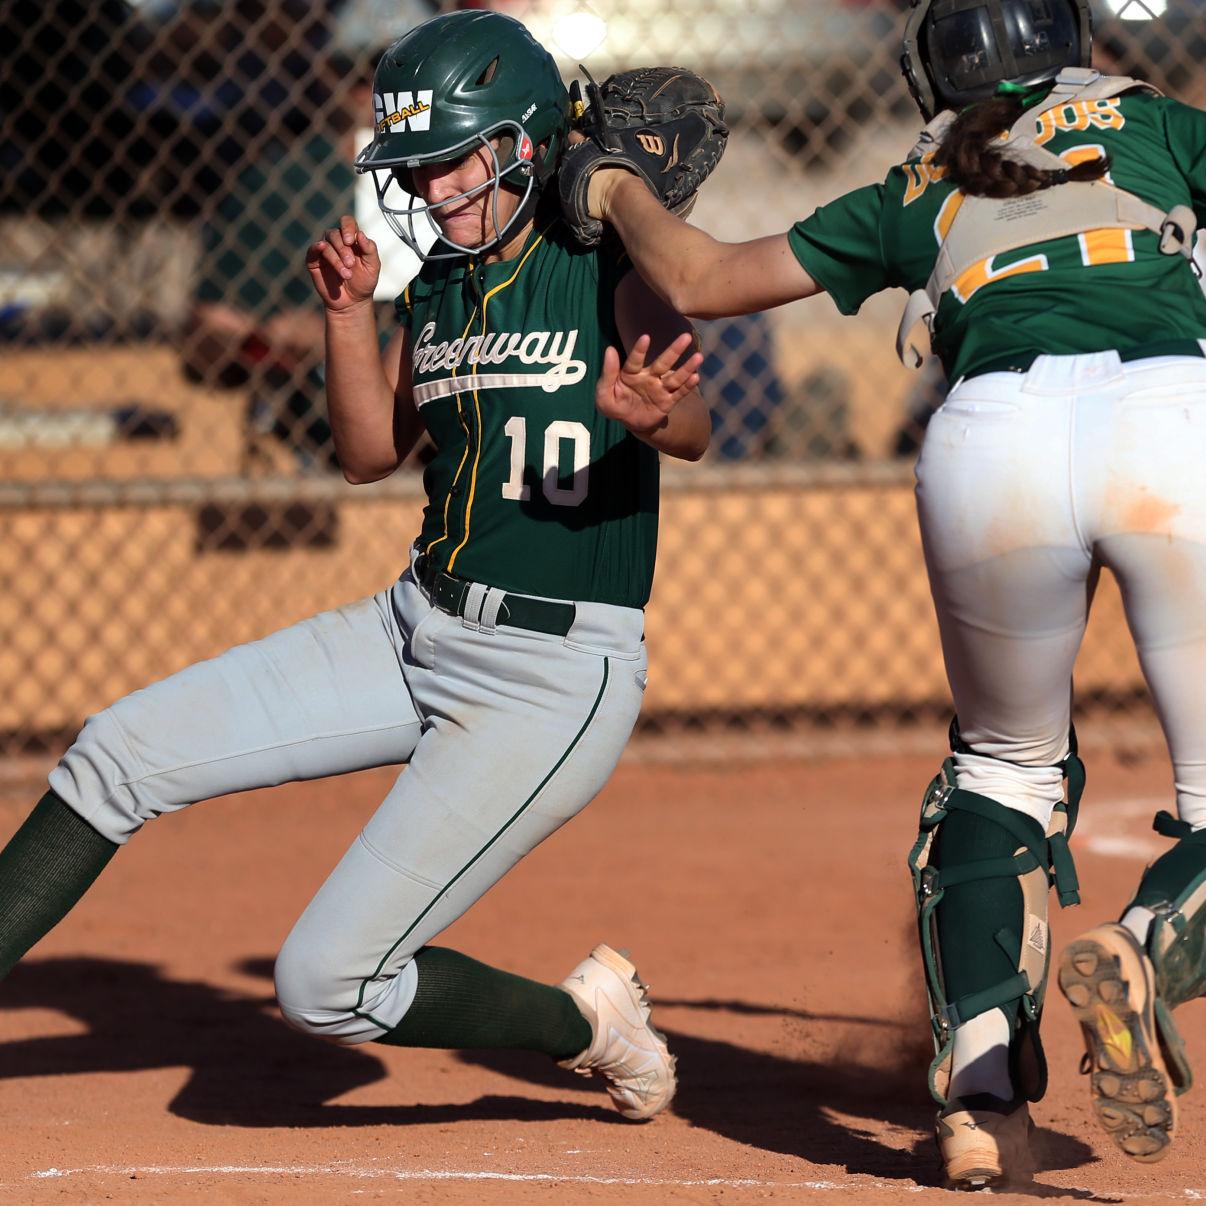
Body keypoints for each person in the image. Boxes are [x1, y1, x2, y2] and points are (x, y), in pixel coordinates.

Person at [0, 9, 711, 1123]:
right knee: (117, 751)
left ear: (526, 146)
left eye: (451, 164)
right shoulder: (434, 286)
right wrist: (344, 315)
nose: (431, 192)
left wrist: (657, 419)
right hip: (410, 627)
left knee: (326, 986)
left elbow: (698, 426)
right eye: (416, 172)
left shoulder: (604, 266)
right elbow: (370, 454)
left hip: (549, 677)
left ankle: (589, 1025)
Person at [565, 0, 1206, 1185]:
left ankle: (979, 1103)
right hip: (1172, 423)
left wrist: (611, 187)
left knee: (1002, 771)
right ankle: (1151, 943)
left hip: (990, 446)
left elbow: (701, 281)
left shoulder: (922, 181)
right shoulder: (1155, 122)